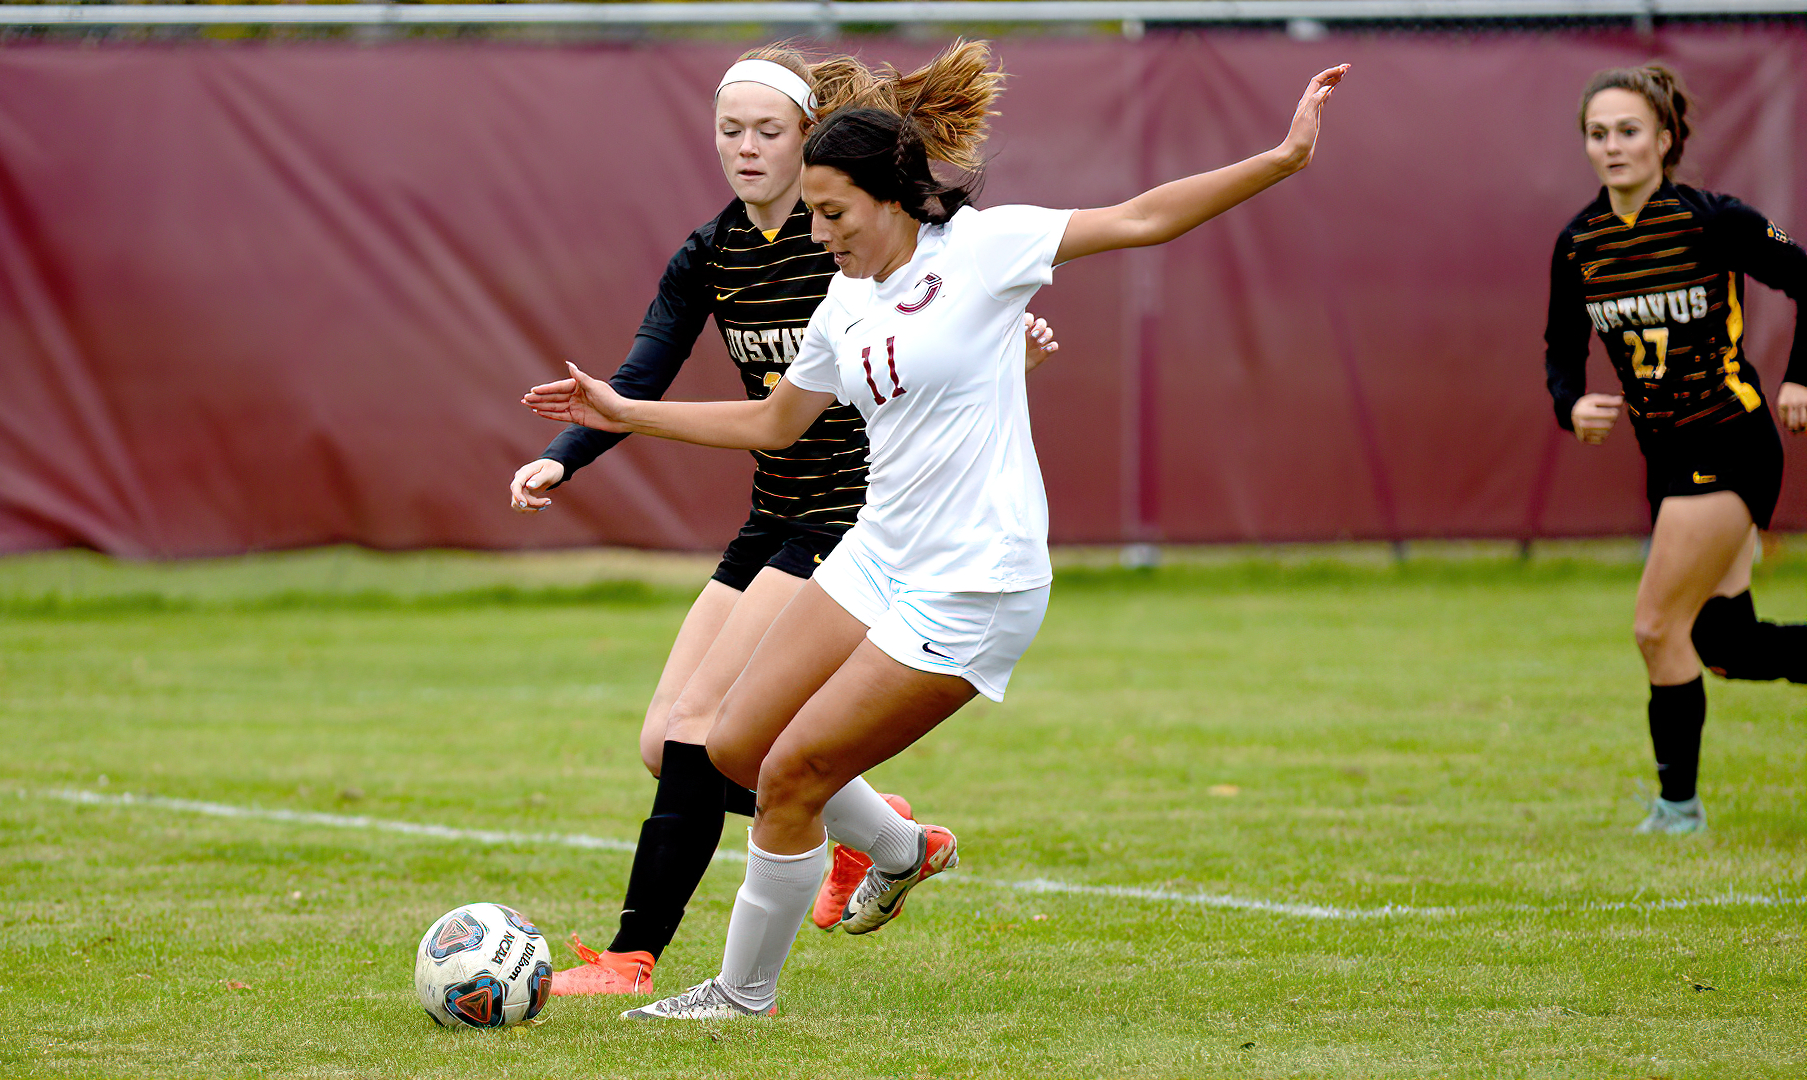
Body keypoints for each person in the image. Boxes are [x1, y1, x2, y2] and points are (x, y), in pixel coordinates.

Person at [525, 45, 1348, 1019]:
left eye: (832, 213)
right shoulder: (843, 300)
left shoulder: (987, 249)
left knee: (790, 773)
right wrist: (622, 413)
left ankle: (740, 998)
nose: (819, 233)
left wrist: (1282, 157)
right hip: (878, 555)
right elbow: (770, 424)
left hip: (977, 584)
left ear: (887, 197)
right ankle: (904, 850)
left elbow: (1144, 217)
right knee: (733, 746)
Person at [507, 43, 1061, 996]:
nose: (747, 148)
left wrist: (1009, 349)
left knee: (701, 731)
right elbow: (637, 382)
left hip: (852, 521)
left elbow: (943, 323)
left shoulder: (852, 245)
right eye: (730, 130)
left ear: (812, 145)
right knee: (670, 746)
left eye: (769, 130)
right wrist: (563, 455)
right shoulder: (712, 252)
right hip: (774, 512)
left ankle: (633, 958)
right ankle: (886, 837)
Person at [1544, 64, 1807, 837]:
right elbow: (1562, 346)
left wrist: (1799, 378)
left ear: (1664, 140)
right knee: (1725, 645)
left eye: (1627, 131)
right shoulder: (1578, 244)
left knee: (1655, 628)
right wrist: (1570, 406)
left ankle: (1676, 812)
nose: (1611, 146)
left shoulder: (1710, 221)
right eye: (1597, 134)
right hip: (1664, 460)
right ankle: (1678, 805)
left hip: (1730, 442)